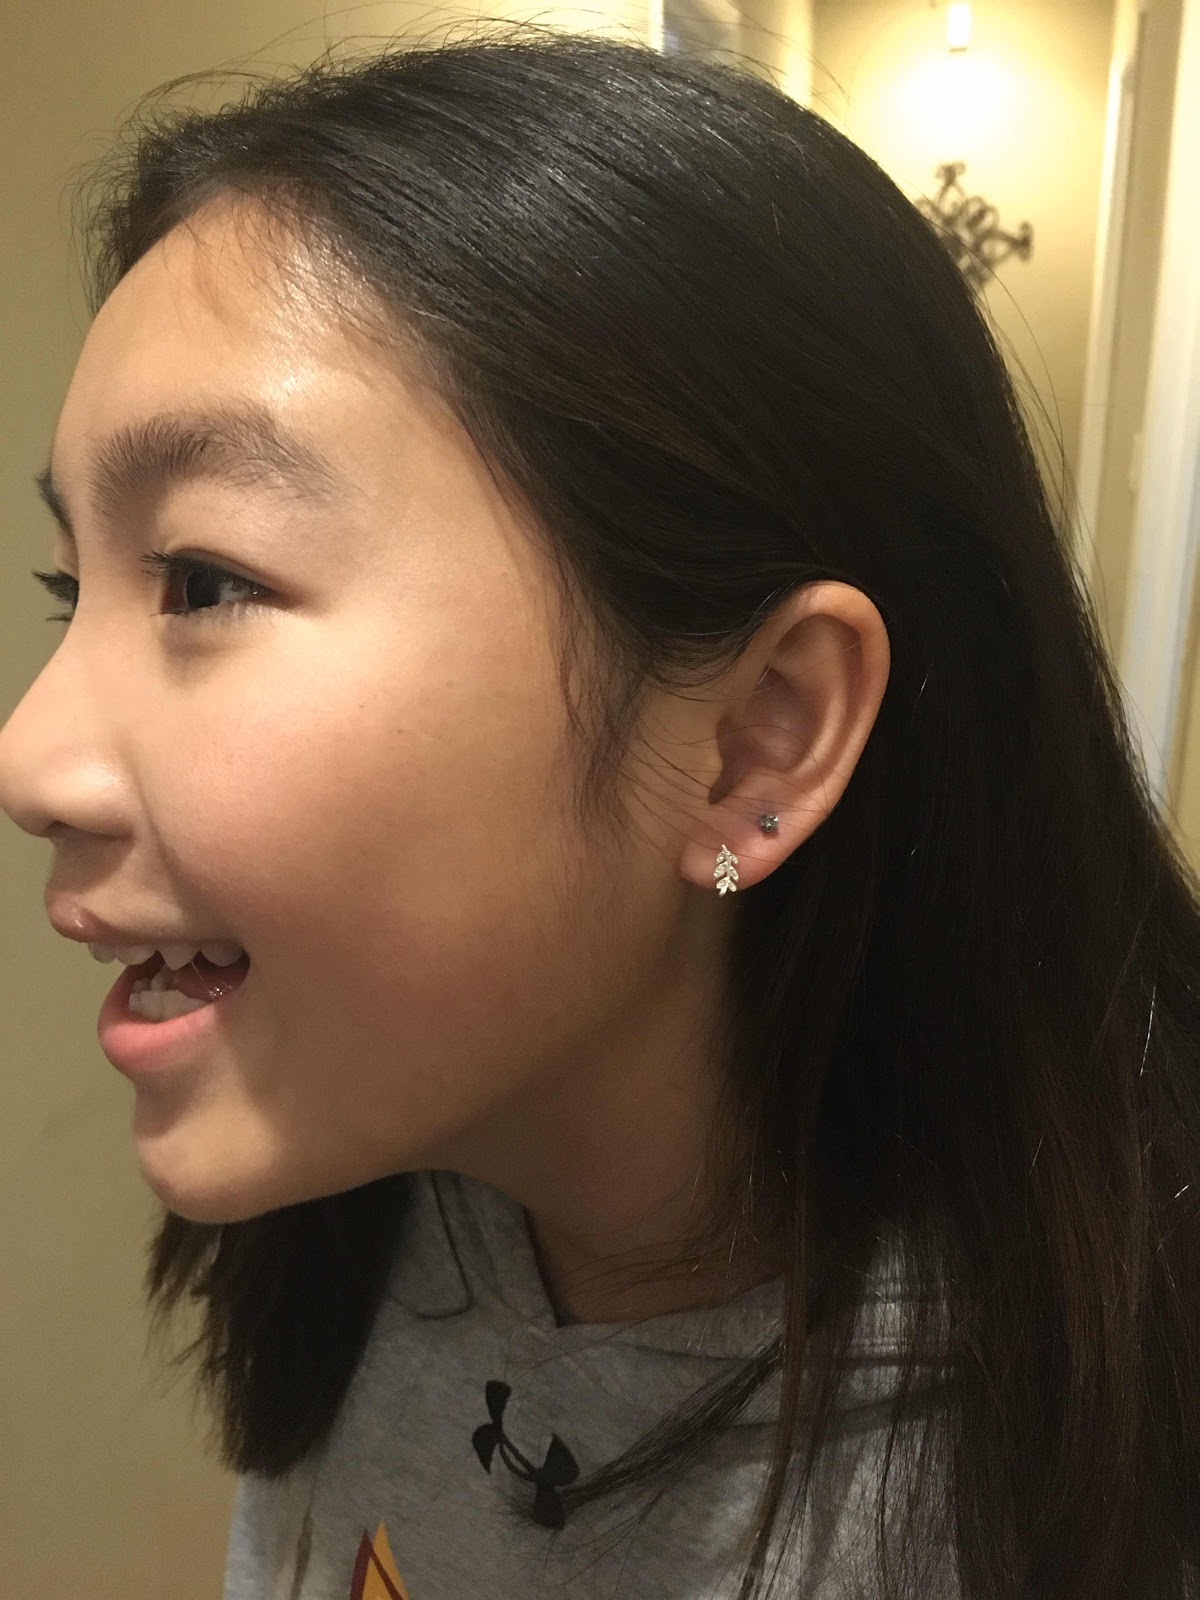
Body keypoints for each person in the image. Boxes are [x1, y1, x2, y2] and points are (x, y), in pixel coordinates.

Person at [0, 24, 1196, 1600]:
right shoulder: (361, 1226)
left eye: (206, 581)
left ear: (755, 741)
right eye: (71, 591)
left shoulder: (1088, 1493)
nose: (30, 761)